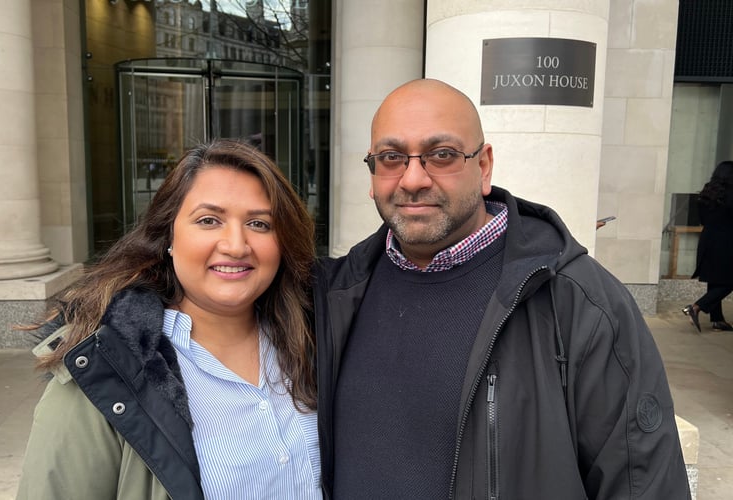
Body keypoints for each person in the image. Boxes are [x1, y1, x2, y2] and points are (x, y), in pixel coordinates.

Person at [313, 79, 691, 499]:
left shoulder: (580, 303)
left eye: (442, 155)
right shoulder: (335, 295)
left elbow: (643, 485)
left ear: (485, 165)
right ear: (372, 173)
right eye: (391, 157)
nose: (413, 178)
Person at [17, 140, 321, 499]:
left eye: (259, 223)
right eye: (209, 220)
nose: (237, 245)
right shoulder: (105, 372)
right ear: (169, 237)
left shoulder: (316, 339)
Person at [682, 160, 733, 332]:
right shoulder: (731, 194)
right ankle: (696, 307)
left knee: (715, 280)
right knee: (728, 281)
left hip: (707, 240)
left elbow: (703, 220)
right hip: (726, 241)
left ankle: (718, 320)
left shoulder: (707, 193)